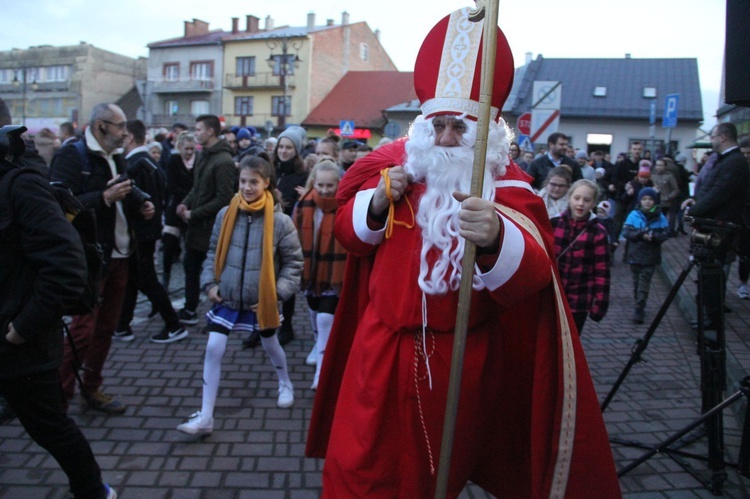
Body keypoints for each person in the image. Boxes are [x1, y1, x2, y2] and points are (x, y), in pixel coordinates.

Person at [305, 8, 620, 498]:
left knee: (432, 476)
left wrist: (496, 235)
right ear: (423, 130)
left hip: (460, 358)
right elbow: (347, 234)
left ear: (486, 137)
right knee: (357, 468)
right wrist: (376, 203)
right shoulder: (394, 170)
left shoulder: (506, 186)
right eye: (440, 127)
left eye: (461, 129)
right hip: (380, 347)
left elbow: (536, 271)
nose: (448, 140)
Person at [1, 120, 118, 498]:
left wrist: (22, 327)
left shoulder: (22, 183)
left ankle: (92, 489)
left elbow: (66, 268)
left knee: (48, 424)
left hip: (20, 342)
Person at [176, 156, 302, 436]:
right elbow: (212, 251)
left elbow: (294, 265)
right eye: (243, 181)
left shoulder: (280, 222)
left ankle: (285, 382)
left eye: (253, 182)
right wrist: (210, 283)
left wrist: (276, 294)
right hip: (228, 297)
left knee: (270, 345)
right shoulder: (225, 214)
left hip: (261, 300)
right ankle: (206, 416)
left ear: (266, 183)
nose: (247, 187)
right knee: (213, 348)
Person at [50, 103, 155, 415]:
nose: (126, 132)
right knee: (83, 329)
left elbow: (124, 186)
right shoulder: (72, 155)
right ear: (100, 126)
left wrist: (141, 203)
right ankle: (59, 392)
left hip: (121, 253)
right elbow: (58, 205)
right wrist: (103, 198)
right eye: (120, 125)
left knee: (107, 327)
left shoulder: (116, 154)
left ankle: (91, 389)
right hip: (90, 258)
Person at [113, 120, 188, 344]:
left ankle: (174, 325)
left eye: (123, 136)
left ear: (130, 138)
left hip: (139, 231)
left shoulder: (134, 163)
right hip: (148, 229)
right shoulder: (149, 162)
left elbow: (133, 202)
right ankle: (123, 325)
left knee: (145, 279)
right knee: (135, 279)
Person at [682, 123, 750, 329]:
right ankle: (707, 315)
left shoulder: (735, 162)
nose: (711, 141)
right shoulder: (726, 160)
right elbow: (709, 188)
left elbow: (719, 193)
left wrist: (693, 212)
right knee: (707, 274)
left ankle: (711, 320)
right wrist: (695, 201)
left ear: (723, 137)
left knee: (712, 274)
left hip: (720, 228)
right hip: (712, 224)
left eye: (712, 137)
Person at [175, 115, 236, 326]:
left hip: (212, 229)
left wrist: (195, 213)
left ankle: (218, 314)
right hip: (197, 227)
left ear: (210, 131)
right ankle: (190, 309)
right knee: (190, 266)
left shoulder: (224, 161)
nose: (196, 132)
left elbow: (224, 199)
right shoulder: (203, 156)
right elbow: (197, 187)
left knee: (215, 273)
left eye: (199, 129)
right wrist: (185, 203)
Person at [292, 160, 345, 389]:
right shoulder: (304, 204)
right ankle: (318, 344)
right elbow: (294, 236)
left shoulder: (345, 205)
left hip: (335, 272)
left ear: (338, 184)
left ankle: (321, 371)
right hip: (311, 270)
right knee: (315, 311)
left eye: (330, 185)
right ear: (314, 182)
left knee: (325, 317)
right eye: (321, 185)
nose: (324, 190)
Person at [552, 179, 611, 334]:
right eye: (576, 198)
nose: (580, 204)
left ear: (593, 203)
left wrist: (600, 304)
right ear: (569, 197)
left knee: (571, 341)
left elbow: (602, 271)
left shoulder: (598, 233)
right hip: (551, 297)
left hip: (578, 300)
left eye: (587, 200)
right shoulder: (554, 224)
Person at [271, 125, 309, 346]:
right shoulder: (270, 170)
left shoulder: (302, 175)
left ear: (296, 150)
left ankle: (287, 326)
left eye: (288, 147)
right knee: (264, 279)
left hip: (289, 234)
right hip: (266, 232)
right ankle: (262, 325)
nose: (283, 151)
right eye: (281, 147)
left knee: (287, 281)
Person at [622, 187, 670, 324]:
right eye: (644, 199)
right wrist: (640, 234)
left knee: (644, 282)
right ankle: (638, 301)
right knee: (636, 282)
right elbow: (626, 232)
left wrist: (654, 236)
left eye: (650, 199)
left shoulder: (660, 217)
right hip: (635, 254)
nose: (647, 202)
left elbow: (666, 233)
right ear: (640, 201)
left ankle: (639, 307)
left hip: (650, 256)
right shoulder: (633, 215)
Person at [162, 131, 196, 290]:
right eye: (186, 149)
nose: (189, 152)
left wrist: (190, 201)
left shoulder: (198, 161)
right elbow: (171, 185)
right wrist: (183, 200)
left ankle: (190, 282)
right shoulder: (173, 160)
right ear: (180, 147)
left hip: (193, 208)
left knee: (190, 248)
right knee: (169, 244)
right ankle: (166, 278)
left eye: (192, 149)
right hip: (175, 206)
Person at [607, 141, 643, 237]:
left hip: (637, 200)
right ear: (630, 150)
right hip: (622, 199)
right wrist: (624, 186)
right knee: (617, 225)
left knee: (634, 226)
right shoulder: (622, 164)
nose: (637, 151)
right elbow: (614, 180)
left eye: (639, 149)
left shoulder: (643, 164)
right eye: (635, 149)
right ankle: (612, 246)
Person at [650, 158, 679, 236]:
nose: (658, 167)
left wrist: (669, 197)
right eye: (657, 165)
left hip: (665, 203)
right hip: (653, 202)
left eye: (661, 165)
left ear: (665, 167)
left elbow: (675, 189)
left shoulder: (669, 176)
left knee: (661, 221)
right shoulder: (652, 175)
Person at [736, 138, 750, 299]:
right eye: (744, 153)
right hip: (744, 218)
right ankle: (743, 283)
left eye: (749, 154)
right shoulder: (740, 169)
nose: (747, 156)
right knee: (744, 252)